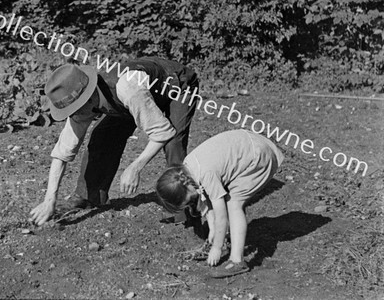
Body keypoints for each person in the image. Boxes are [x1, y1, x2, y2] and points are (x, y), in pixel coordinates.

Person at [29, 57, 199, 226]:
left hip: (176, 86)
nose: (75, 114)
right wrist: (49, 200)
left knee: (173, 143)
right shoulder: (81, 104)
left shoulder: (128, 88)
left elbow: (162, 132)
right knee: (103, 136)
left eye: (75, 109)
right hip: (137, 98)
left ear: (88, 99)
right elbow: (62, 152)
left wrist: (135, 167)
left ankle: (188, 209)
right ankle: (89, 197)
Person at [155, 129, 284, 278]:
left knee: (234, 204)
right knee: (227, 200)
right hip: (247, 147)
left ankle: (237, 261)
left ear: (186, 189)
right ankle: (223, 237)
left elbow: (221, 215)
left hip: (257, 157)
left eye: (189, 201)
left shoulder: (206, 174)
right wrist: (213, 231)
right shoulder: (188, 169)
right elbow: (206, 198)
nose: (191, 203)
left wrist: (217, 247)